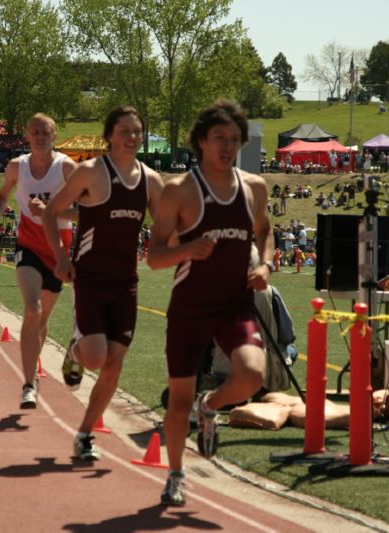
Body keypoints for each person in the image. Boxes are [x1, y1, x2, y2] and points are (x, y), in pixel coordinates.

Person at [147, 99, 273, 506]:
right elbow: (154, 257)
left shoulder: (253, 187)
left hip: (235, 303)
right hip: (190, 307)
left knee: (252, 376)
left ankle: (212, 405)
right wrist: (189, 249)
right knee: (177, 401)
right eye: (219, 138)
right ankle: (176, 475)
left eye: (234, 140)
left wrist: (266, 265)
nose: (227, 146)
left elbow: (265, 230)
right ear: (201, 140)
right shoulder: (179, 190)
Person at [42, 106, 163, 461]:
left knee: (114, 364)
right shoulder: (90, 173)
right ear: (110, 135)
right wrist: (61, 258)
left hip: (126, 281)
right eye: (124, 130)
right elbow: (52, 212)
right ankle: (76, 350)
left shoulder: (151, 180)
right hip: (90, 278)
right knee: (96, 358)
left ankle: (84, 434)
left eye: (137, 131)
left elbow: (167, 225)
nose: (132, 137)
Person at [0, 113, 78, 410]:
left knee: (42, 321)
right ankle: (29, 384)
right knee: (31, 309)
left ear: (54, 136)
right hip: (28, 246)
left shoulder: (66, 168)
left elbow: (88, 212)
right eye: (35, 131)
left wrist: (50, 210)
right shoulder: (17, 167)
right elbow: (2, 196)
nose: (40, 136)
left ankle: (33, 368)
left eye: (45, 132)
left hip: (59, 251)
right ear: (26, 135)